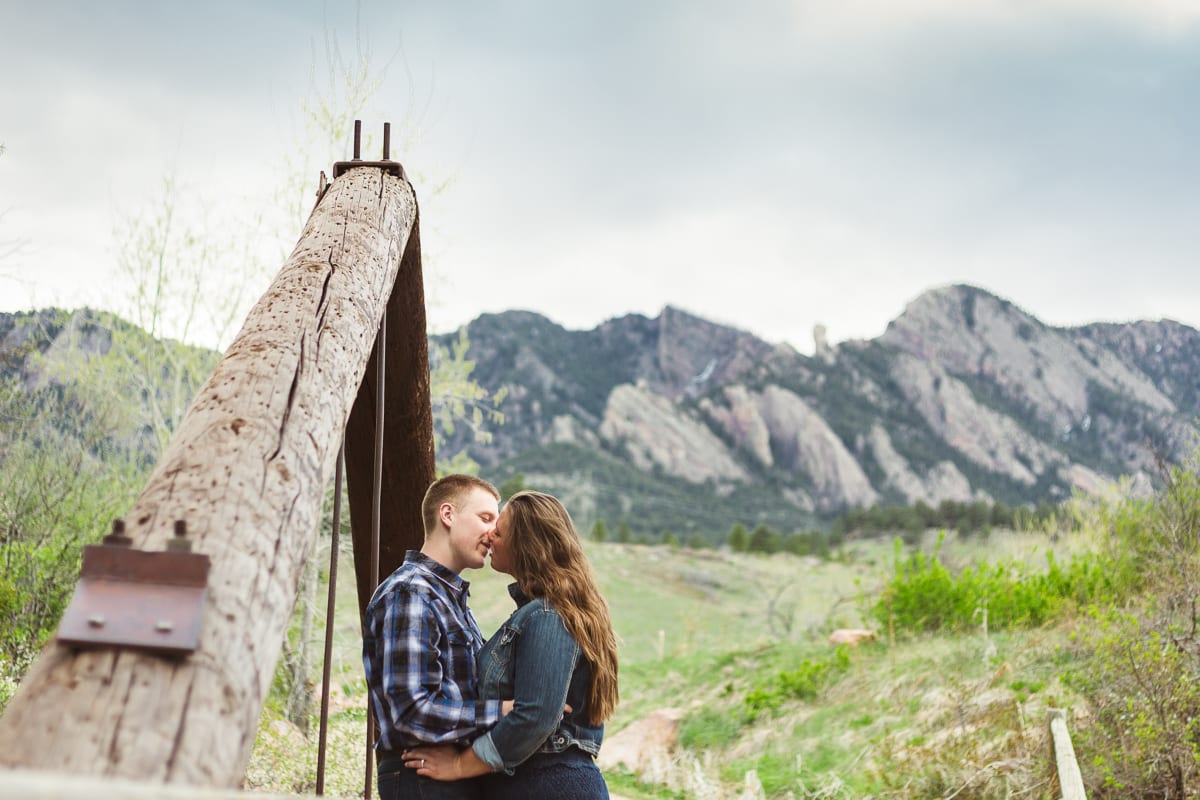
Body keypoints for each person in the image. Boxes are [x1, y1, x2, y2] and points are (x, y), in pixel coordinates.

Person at [402, 490, 620, 799]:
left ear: (526, 545)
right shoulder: (536, 613)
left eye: (500, 531)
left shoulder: (548, 614)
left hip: (549, 784)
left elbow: (535, 717)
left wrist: (460, 765)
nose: (490, 536)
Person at [363, 474, 506, 800]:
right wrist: (504, 711)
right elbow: (411, 712)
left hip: (447, 774)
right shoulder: (412, 591)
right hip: (423, 777)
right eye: (485, 517)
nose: (493, 532)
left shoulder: (448, 598)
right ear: (447, 515)